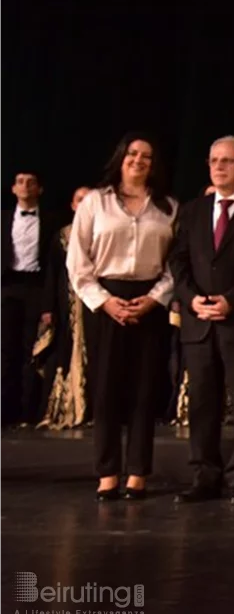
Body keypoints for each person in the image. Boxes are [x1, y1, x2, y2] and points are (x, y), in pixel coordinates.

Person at [66, 134, 177, 501]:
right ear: (121, 158)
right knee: (107, 388)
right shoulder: (96, 203)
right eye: (132, 153)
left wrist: (154, 299)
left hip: (149, 302)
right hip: (105, 301)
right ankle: (108, 472)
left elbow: (175, 266)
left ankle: (138, 472)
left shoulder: (168, 207)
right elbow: (78, 263)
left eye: (146, 156)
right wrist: (105, 301)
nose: (138, 160)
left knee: (145, 390)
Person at [169, 137, 234, 504]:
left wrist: (232, 300)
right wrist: (191, 298)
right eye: (213, 161)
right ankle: (204, 476)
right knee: (202, 402)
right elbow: (177, 260)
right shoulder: (193, 210)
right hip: (198, 320)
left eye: (227, 161)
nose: (219, 167)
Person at [1, 170, 58, 427]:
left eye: (31, 182)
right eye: (20, 182)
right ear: (13, 188)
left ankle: (27, 413)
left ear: (40, 189)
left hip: (36, 287)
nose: (25, 186)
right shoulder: (3, 219)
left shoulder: (50, 221)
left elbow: (53, 265)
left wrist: (48, 303)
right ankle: (5, 412)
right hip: (8, 286)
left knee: (31, 351)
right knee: (5, 350)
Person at [41, 187, 93, 429]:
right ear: (72, 205)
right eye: (80, 200)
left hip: (98, 306)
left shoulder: (106, 232)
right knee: (67, 350)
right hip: (68, 305)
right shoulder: (63, 235)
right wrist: (48, 307)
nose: (84, 204)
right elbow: (53, 274)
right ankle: (68, 406)